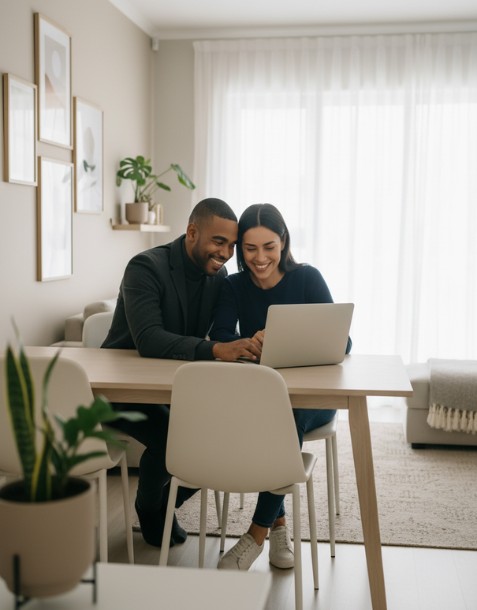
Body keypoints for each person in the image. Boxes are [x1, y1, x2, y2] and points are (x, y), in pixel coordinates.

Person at [102, 198, 261, 548]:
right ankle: (148, 506)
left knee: (225, 435)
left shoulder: (219, 280)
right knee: (175, 437)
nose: (226, 253)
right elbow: (149, 339)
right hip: (120, 391)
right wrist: (217, 350)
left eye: (233, 246)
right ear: (192, 232)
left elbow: (225, 330)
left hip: (175, 388)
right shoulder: (145, 266)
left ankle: (164, 503)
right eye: (219, 242)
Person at [209, 203, 352, 572]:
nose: (259, 258)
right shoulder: (233, 285)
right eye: (251, 248)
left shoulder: (307, 278)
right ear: (241, 249)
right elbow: (223, 336)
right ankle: (279, 527)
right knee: (277, 420)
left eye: (269, 247)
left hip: (311, 403)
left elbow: (344, 343)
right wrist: (248, 342)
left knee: (288, 418)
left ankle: (255, 535)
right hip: (260, 398)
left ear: (283, 242)